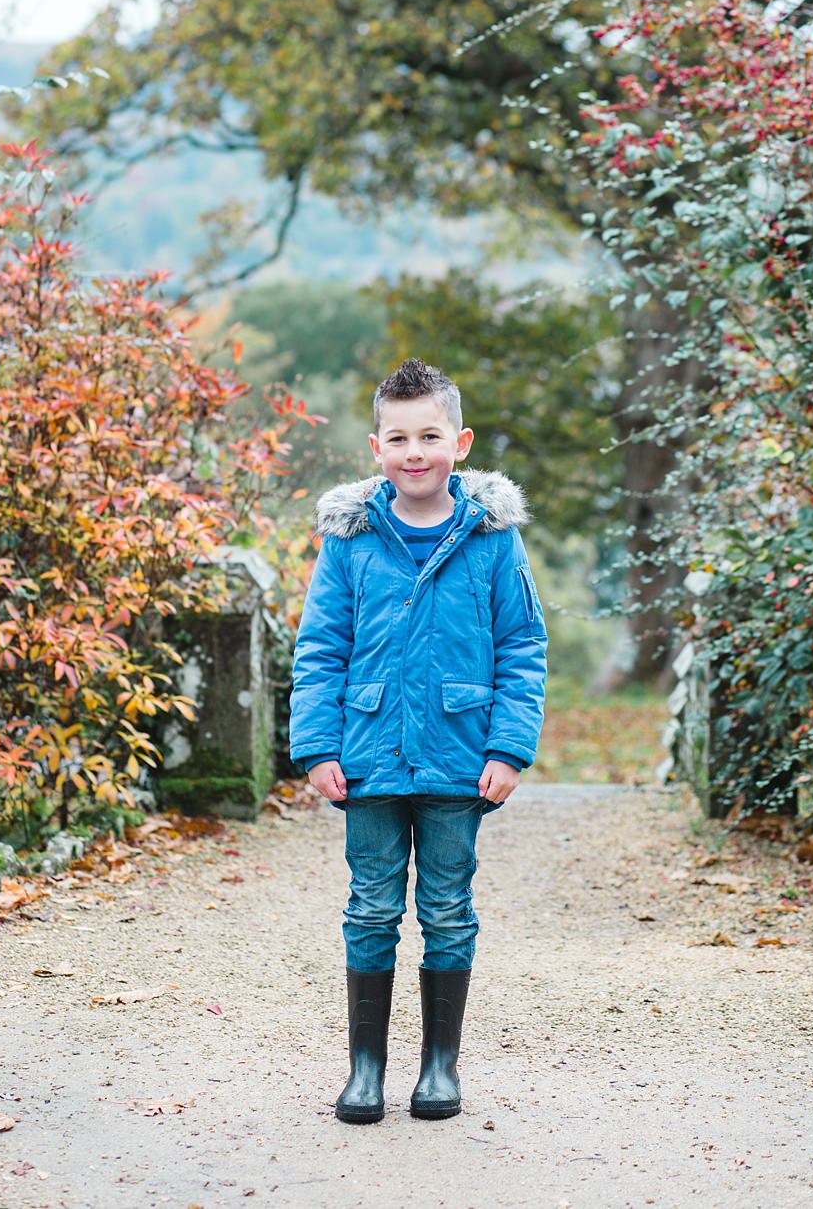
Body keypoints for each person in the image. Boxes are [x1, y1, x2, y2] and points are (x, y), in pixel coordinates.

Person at [289, 357, 547, 1124]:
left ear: (459, 442)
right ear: (376, 447)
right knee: (370, 906)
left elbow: (522, 647)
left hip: (458, 758)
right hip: (367, 754)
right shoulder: (351, 540)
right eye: (397, 438)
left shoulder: (492, 541)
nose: (414, 453)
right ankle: (365, 1070)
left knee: (446, 906)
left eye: (429, 436)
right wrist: (317, 748)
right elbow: (321, 648)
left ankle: (440, 1067)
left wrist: (508, 750)